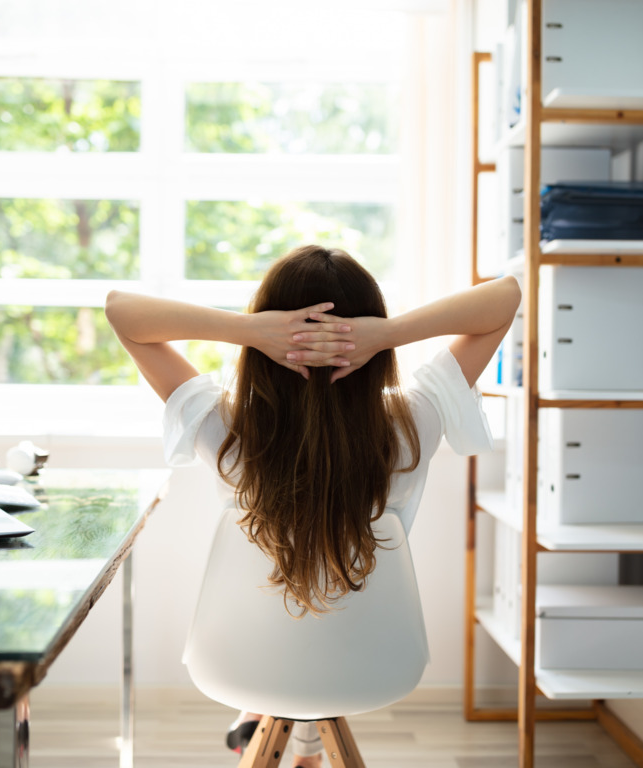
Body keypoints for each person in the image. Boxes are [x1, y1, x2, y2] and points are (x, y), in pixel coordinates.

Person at [105, 244, 520, 768]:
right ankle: (297, 744)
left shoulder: (230, 430)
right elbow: (506, 297)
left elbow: (121, 310)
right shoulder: (412, 425)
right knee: (316, 618)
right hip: (370, 660)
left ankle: (260, 718)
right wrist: (385, 333)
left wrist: (253, 331)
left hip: (243, 660)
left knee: (278, 612)